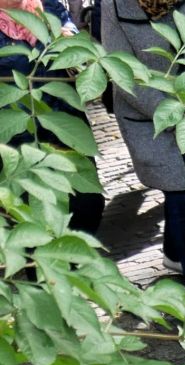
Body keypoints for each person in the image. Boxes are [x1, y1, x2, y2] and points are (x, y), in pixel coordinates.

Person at [102, 0, 185, 298]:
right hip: (144, 114)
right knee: (184, 192)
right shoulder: (113, 5)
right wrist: (169, 113)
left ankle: (174, 252)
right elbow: (121, 72)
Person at [1, 0, 104, 233]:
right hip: (16, 140)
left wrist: (74, 46)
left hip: (64, 127)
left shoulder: (49, 7)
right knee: (32, 219)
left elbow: (80, 55)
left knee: (87, 205)